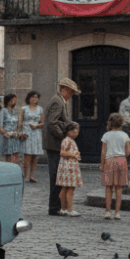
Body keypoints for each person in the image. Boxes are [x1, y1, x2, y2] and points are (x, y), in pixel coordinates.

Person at [44, 78, 79, 216]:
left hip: (54, 144)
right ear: (64, 90)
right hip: (54, 144)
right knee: (56, 176)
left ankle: (58, 207)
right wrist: (65, 137)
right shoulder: (57, 101)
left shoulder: (59, 101)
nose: (70, 95)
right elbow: (52, 123)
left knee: (57, 176)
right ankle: (54, 207)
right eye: (70, 92)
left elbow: (56, 122)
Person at [100, 113, 130, 220]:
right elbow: (128, 151)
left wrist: (101, 164)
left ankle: (108, 211)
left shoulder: (106, 135)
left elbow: (103, 151)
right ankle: (117, 212)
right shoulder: (125, 135)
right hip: (121, 160)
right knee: (119, 187)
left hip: (109, 160)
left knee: (108, 187)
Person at [56, 122, 82, 217]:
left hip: (67, 166)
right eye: (75, 131)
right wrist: (74, 155)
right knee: (70, 189)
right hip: (69, 167)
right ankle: (69, 209)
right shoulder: (67, 140)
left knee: (65, 188)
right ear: (69, 132)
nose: (77, 133)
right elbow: (63, 152)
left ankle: (64, 209)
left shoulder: (69, 140)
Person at [19, 90, 44, 183]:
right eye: (33, 97)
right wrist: (20, 132)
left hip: (36, 132)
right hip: (27, 133)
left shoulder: (40, 109)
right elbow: (20, 122)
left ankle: (32, 175)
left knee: (35, 156)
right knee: (27, 155)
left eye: (36, 97)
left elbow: (42, 122)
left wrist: (37, 126)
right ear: (29, 98)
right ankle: (26, 175)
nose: (34, 99)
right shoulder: (24, 108)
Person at [0, 93, 23, 165]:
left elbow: (19, 123)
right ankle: (9, 169)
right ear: (9, 101)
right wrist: (5, 133)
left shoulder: (16, 111)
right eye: (13, 100)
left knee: (16, 153)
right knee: (8, 154)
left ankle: (15, 169)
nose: (15, 102)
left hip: (15, 135)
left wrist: (18, 132)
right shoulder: (3, 111)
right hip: (7, 136)